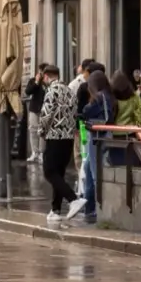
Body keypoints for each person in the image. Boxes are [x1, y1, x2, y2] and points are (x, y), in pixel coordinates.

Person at [33, 64, 78, 225]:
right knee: (58, 173)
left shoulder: (51, 91)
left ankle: (73, 199)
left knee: (49, 172)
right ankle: (55, 209)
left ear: (46, 77)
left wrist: (41, 132)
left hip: (54, 137)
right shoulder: (69, 90)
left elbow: (46, 114)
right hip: (68, 138)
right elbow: (74, 113)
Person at [75, 70, 115, 225]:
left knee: (94, 171)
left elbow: (85, 111)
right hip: (106, 135)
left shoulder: (99, 97)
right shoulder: (110, 95)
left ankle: (99, 209)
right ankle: (89, 207)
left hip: (96, 137)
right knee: (87, 169)